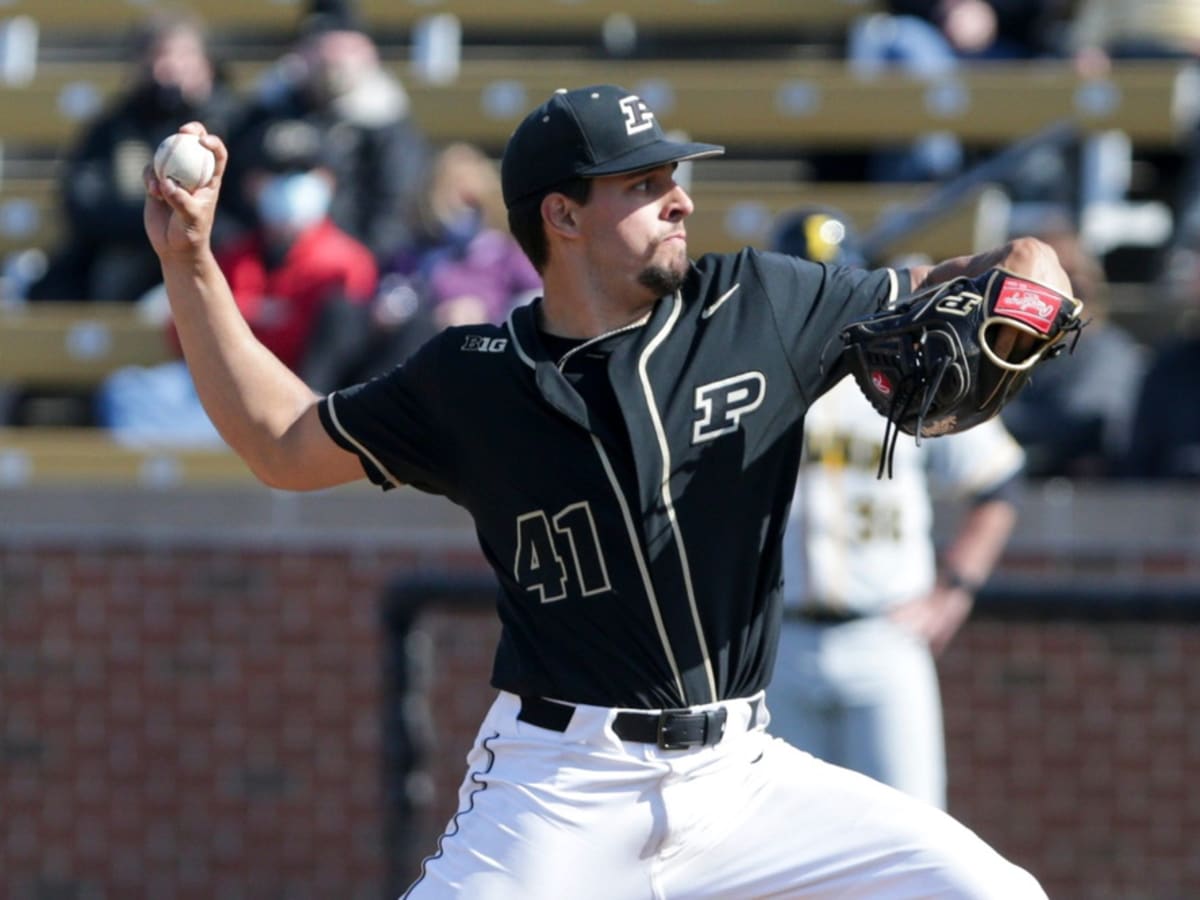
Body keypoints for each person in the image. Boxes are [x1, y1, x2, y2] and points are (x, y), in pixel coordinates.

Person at [143, 84, 1074, 897]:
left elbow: (966, 280)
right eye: (643, 184)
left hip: (742, 775)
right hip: (559, 786)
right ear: (563, 215)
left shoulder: (763, 304)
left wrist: (1028, 272)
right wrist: (189, 263)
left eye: (674, 178)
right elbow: (282, 445)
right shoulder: (472, 377)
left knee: (994, 892)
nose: (679, 200)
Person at [766, 199, 1026, 812]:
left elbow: (998, 482)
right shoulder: (755, 381)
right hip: (778, 641)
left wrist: (954, 588)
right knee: (782, 840)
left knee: (913, 832)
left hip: (884, 635)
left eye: (836, 283)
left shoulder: (905, 372)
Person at [28, 8, 243, 303]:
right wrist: (153, 218)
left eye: (184, 56)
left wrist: (189, 224)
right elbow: (81, 201)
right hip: (132, 261)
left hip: (211, 259)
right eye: (160, 56)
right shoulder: (115, 126)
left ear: (206, 62)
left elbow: (245, 212)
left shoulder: (235, 122)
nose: (172, 68)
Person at [224, 0, 431, 264]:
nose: (332, 58)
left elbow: (395, 214)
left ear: (367, 53)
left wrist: (353, 264)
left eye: (344, 48)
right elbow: (231, 195)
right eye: (321, 46)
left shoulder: (386, 126)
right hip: (263, 271)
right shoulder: (264, 116)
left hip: (347, 273)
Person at [1000, 226, 1146, 477]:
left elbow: (1076, 423)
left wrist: (987, 421)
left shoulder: (1108, 352)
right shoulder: (1014, 350)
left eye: (1079, 275)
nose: (1076, 285)